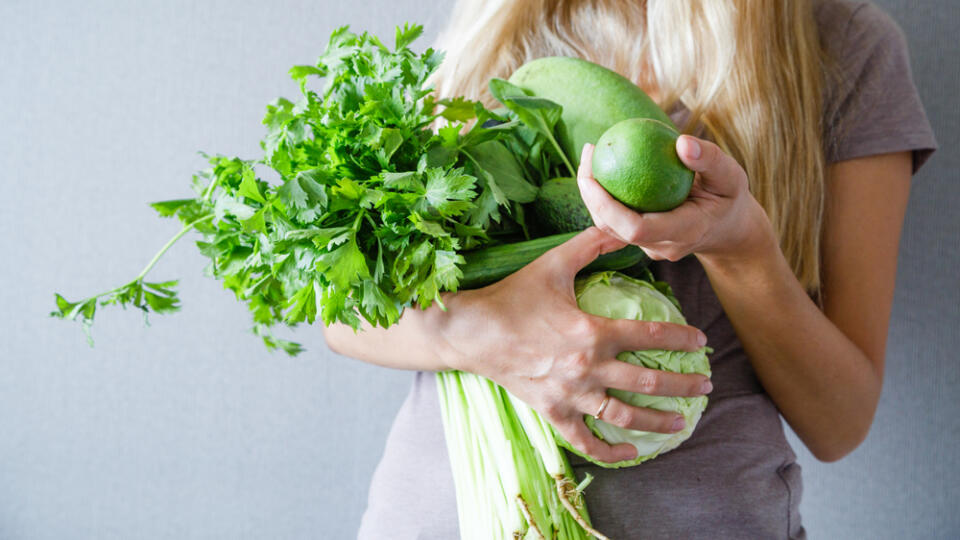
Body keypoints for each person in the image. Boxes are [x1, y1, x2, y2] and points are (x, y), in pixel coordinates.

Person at [325, 0, 937, 537]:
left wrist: (741, 246)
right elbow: (342, 313)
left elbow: (840, 421)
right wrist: (487, 335)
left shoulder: (839, 46)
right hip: (443, 517)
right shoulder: (493, 31)